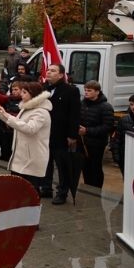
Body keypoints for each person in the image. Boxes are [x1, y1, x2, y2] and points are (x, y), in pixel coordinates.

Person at [0, 81, 52, 193]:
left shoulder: (41, 112)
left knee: (30, 192)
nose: (21, 95)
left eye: (24, 92)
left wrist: (8, 118)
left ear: (33, 94)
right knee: (18, 192)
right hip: (21, 158)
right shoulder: (26, 108)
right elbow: (18, 122)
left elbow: (30, 129)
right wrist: (2, 113)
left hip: (31, 159)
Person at [44, 64, 81, 205]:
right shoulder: (44, 88)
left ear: (61, 75)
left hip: (62, 134)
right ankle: (46, 187)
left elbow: (74, 114)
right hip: (46, 134)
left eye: (53, 71)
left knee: (62, 165)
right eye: (48, 70)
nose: (48, 72)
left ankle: (62, 192)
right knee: (46, 163)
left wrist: (72, 135)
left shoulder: (71, 90)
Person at [78, 80, 114, 189]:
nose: (86, 93)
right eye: (85, 90)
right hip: (83, 142)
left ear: (97, 92)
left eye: (89, 90)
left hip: (97, 143)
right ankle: (88, 188)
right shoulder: (82, 103)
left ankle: (97, 190)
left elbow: (107, 127)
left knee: (95, 168)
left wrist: (87, 131)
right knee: (85, 167)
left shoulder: (106, 107)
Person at [111, 94, 134, 176]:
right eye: (131, 104)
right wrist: (116, 156)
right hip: (125, 158)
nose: (133, 107)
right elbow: (117, 139)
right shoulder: (123, 120)